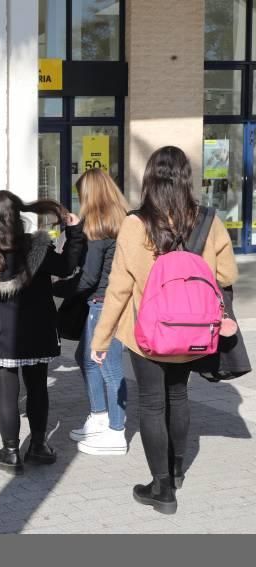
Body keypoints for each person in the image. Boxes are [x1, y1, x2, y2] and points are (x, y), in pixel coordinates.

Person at [91, 146, 237, 513]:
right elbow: (228, 275)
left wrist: (101, 337)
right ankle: (177, 469)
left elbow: (119, 287)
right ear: (186, 178)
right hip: (193, 334)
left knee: (152, 405)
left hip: (148, 334)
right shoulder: (207, 220)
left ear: (150, 180)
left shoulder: (135, 223)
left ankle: (162, 488)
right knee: (179, 397)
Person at [0, 191, 85, 474]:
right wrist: (74, 233)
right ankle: (38, 446)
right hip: (34, 331)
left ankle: (10, 452)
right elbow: (67, 266)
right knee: (37, 389)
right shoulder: (37, 247)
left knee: (7, 393)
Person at [55, 168, 130, 456]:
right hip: (108, 299)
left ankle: (116, 430)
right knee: (85, 357)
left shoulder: (98, 227)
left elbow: (89, 277)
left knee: (108, 368)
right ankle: (99, 416)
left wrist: (57, 288)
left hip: (103, 303)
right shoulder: (122, 220)